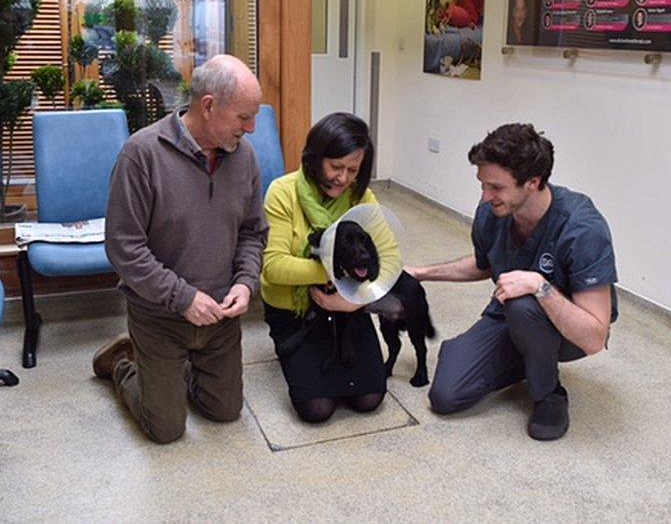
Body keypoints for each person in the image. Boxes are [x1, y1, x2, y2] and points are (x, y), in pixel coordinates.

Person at [93, 54, 269, 444]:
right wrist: (183, 297)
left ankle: (171, 372)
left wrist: (244, 283)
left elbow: (253, 233)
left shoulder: (245, 158)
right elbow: (124, 248)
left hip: (221, 316)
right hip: (160, 316)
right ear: (208, 106)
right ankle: (125, 363)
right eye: (244, 117)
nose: (252, 128)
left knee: (224, 411)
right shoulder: (141, 154)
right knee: (166, 430)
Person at [407, 124, 617, 441]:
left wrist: (540, 286)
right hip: (509, 315)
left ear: (533, 182)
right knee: (446, 396)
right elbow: (483, 264)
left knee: (523, 305)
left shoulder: (582, 228)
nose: (485, 196)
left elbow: (594, 338)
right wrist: (420, 273)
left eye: (496, 187)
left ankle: (548, 393)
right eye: (482, 185)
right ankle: (528, 355)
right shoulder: (493, 213)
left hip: (568, 331)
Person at [260, 112, 399, 423]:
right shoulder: (283, 192)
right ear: (315, 157)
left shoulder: (361, 197)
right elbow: (274, 267)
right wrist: (338, 273)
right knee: (317, 409)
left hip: (347, 307)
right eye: (336, 166)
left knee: (369, 398)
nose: (343, 178)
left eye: (353, 170)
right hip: (294, 309)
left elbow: (389, 259)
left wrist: (352, 300)